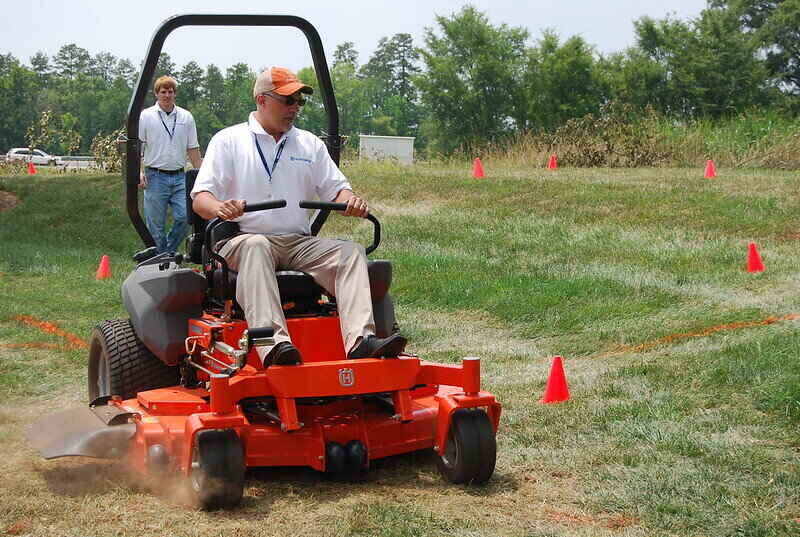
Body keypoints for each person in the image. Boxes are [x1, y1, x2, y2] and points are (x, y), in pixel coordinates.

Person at [191, 66, 406, 366]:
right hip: (242, 238)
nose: (295, 108)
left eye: (298, 102)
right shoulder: (229, 141)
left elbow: (337, 189)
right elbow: (201, 199)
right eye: (287, 100)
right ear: (262, 100)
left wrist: (350, 202)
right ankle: (273, 346)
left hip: (297, 241)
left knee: (351, 252)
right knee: (256, 247)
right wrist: (220, 208)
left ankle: (361, 341)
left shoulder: (309, 144)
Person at [139, 75, 202, 254]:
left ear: (175, 94)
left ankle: (166, 253)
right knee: (155, 225)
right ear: (156, 94)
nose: (167, 95)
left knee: (184, 218)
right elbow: (138, 147)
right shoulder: (146, 116)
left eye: (171, 92)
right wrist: (138, 172)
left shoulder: (186, 117)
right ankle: (162, 262)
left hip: (179, 176)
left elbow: (193, 148)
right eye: (163, 92)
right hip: (155, 176)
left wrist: (200, 174)